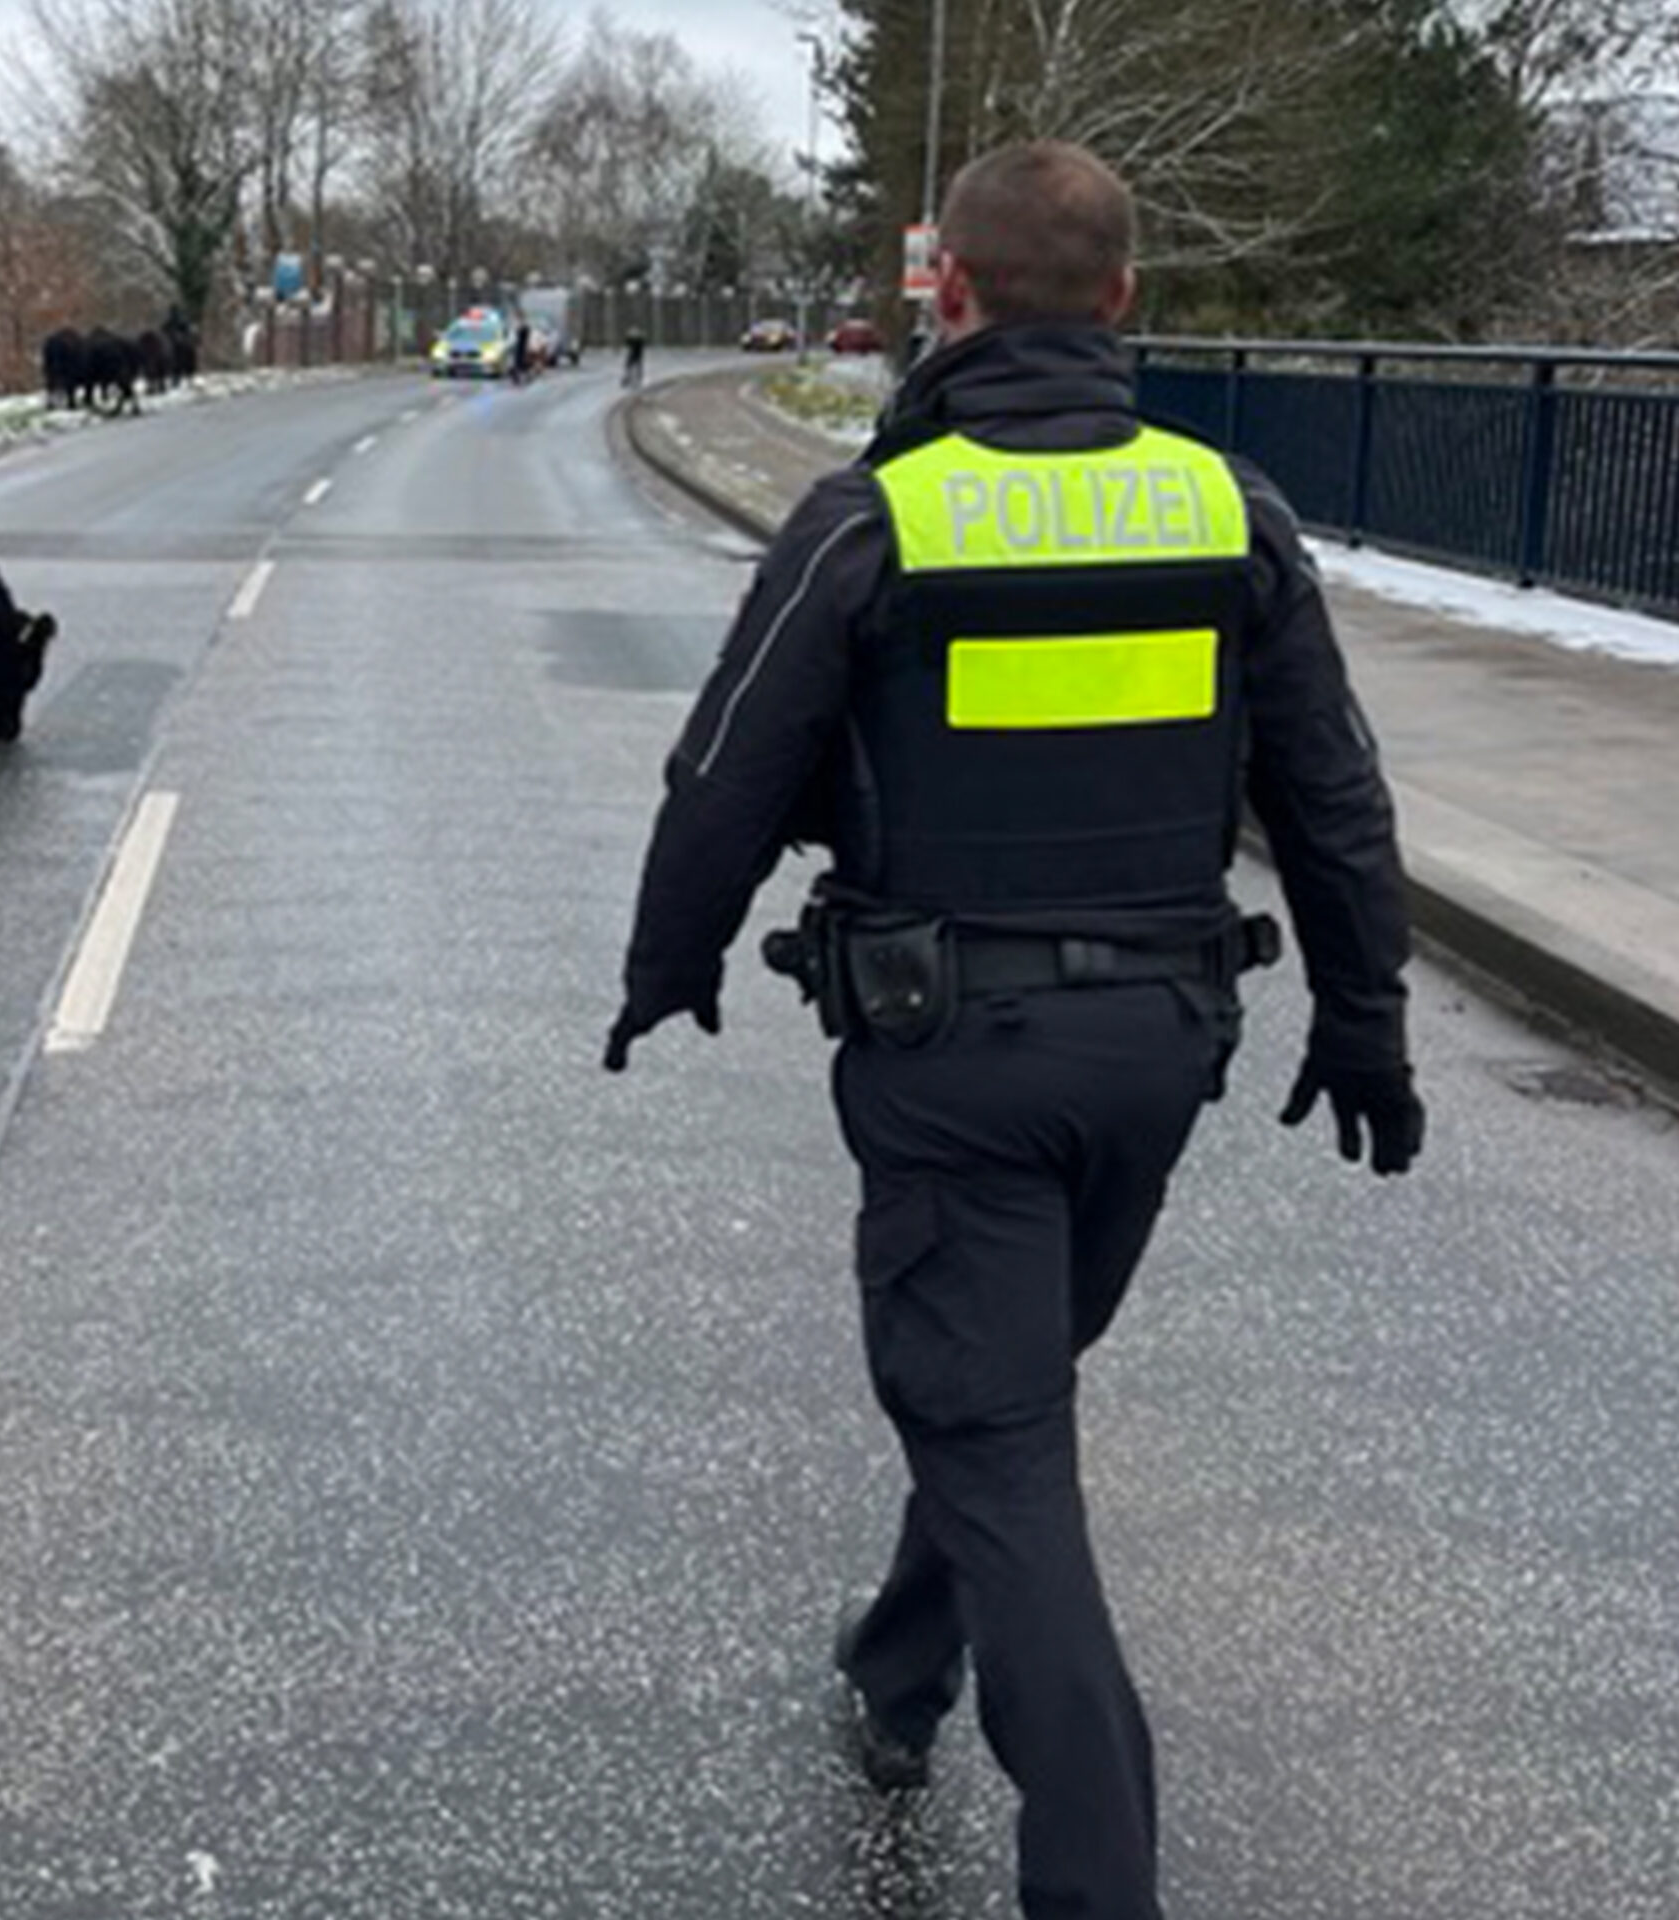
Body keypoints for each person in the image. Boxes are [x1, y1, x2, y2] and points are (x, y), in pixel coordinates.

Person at [603, 141, 1421, 1918]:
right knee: (1004, 1395)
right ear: (1126, 303)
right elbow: (1334, 797)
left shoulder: (880, 517)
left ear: (946, 295)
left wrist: (668, 963)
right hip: (1157, 1060)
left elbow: (724, 776)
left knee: (996, 1433)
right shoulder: (1230, 513)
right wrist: (1366, 1017)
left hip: (953, 1059)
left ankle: (1099, 1873)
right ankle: (904, 1667)